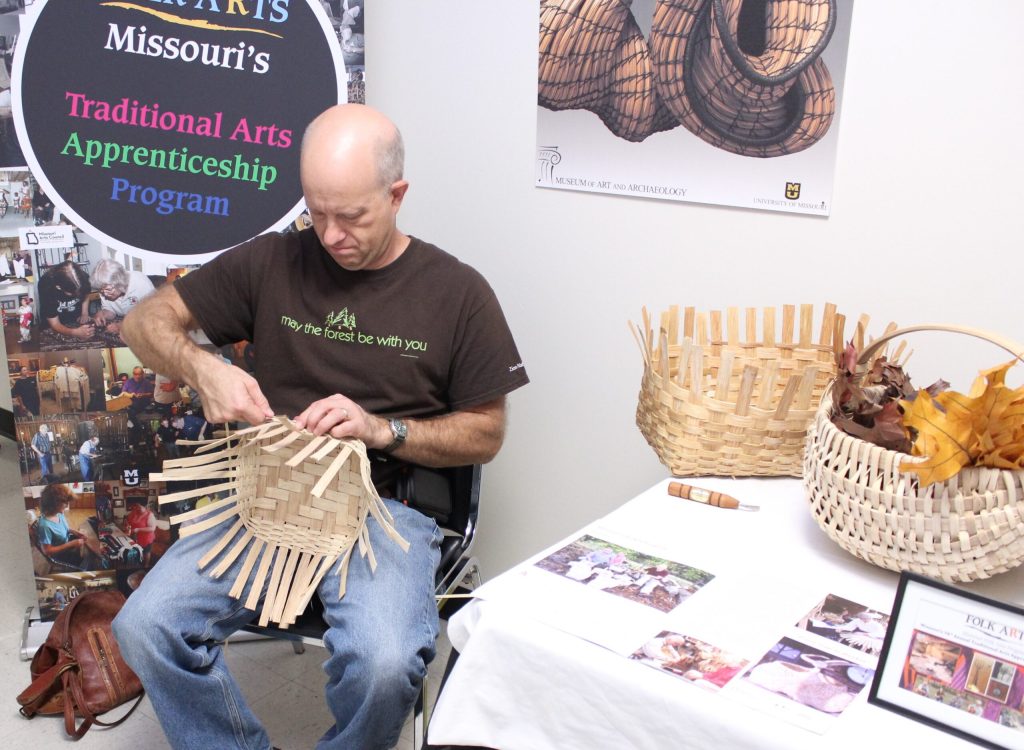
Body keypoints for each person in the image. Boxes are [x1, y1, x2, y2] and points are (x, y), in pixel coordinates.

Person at [113, 103, 529, 750]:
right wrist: (204, 369)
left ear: (396, 196)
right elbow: (143, 322)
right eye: (316, 211)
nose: (330, 235)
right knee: (146, 625)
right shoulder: (274, 262)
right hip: (266, 501)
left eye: (352, 216)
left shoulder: (457, 293)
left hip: (382, 511)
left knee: (385, 661)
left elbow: (486, 435)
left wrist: (381, 429)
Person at [36, 483, 97, 569]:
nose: (67, 505)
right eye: (65, 502)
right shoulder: (44, 526)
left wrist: (75, 532)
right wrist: (71, 544)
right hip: (60, 554)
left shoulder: (58, 513)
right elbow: (47, 551)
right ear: (54, 504)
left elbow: (64, 528)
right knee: (91, 558)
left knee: (89, 543)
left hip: (66, 543)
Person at [89, 258, 156, 334]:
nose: (104, 294)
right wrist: (102, 314)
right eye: (101, 290)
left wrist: (122, 325)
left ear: (120, 282)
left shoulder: (140, 282)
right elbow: (110, 310)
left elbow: (151, 314)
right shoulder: (104, 289)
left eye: (108, 289)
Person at [37, 260, 93, 339]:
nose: (78, 296)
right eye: (73, 294)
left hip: (76, 319)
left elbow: (86, 293)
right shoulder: (46, 285)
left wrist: (84, 313)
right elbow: (54, 324)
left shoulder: (83, 277)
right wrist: (75, 333)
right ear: (58, 287)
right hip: (53, 324)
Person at [123, 499, 157, 567]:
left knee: (146, 552)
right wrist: (127, 525)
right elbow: (127, 520)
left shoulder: (149, 515)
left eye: (139, 507)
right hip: (136, 536)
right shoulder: (134, 512)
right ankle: (138, 562)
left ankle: (146, 565)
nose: (137, 508)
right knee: (138, 550)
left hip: (147, 537)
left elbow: (152, 528)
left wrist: (138, 529)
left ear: (145, 506)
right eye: (136, 506)